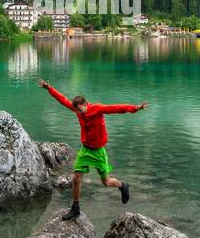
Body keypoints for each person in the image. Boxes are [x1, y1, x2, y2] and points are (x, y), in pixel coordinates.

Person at [39, 79, 147, 220]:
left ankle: (123, 186)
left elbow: (116, 108)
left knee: (106, 182)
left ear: (85, 104)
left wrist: (136, 108)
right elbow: (63, 100)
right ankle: (75, 208)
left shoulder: (97, 109)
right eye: (76, 110)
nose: (78, 112)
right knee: (76, 178)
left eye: (80, 109)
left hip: (98, 151)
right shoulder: (78, 110)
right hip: (85, 150)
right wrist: (49, 89)